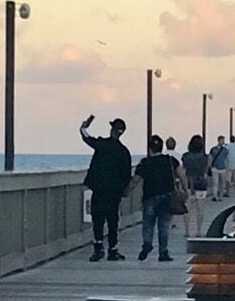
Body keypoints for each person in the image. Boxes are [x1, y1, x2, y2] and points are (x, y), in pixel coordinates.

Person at [79, 112, 132, 262]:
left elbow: (86, 137)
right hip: (114, 193)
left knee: (98, 219)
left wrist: (84, 126)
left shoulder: (102, 145)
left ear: (112, 130)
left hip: (99, 190)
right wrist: (123, 190)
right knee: (113, 220)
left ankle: (98, 248)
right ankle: (113, 250)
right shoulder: (124, 152)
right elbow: (127, 175)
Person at [135, 132, 179, 262]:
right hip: (166, 197)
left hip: (149, 197)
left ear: (150, 149)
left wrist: (126, 191)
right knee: (164, 226)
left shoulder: (145, 162)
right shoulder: (170, 160)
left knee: (148, 224)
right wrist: (185, 189)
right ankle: (163, 252)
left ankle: (147, 243)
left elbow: (135, 179)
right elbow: (181, 174)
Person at [183, 133, 212, 231]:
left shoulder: (185, 156)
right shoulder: (207, 157)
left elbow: (183, 170)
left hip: (189, 184)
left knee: (187, 209)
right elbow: (207, 170)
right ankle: (198, 230)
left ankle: (187, 230)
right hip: (201, 184)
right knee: (200, 209)